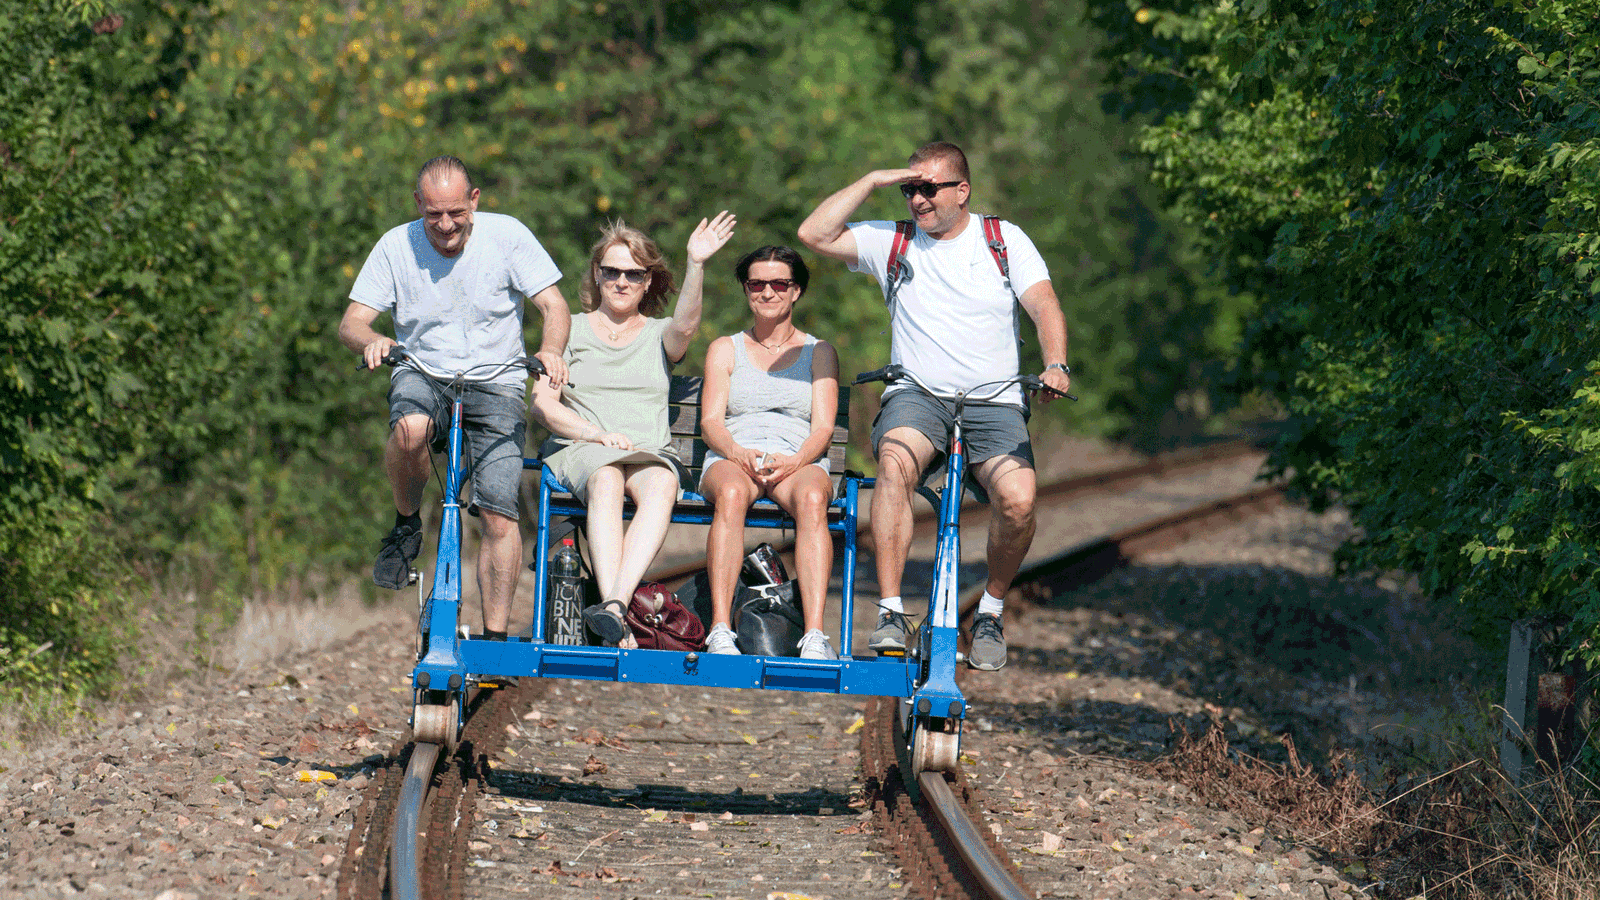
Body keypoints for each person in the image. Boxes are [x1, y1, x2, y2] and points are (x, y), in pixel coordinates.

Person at [797, 141, 1071, 671]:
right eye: (909, 189)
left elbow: (1043, 304)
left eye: (929, 188)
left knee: (1017, 501)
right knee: (896, 462)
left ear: (962, 191)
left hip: (994, 400)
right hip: (917, 395)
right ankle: (892, 611)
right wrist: (872, 179)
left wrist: (1056, 363)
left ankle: (989, 610)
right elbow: (813, 234)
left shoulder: (1002, 239)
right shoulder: (893, 241)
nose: (917, 200)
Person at [339, 155, 572, 645]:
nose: (445, 225)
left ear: (474, 201)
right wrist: (372, 341)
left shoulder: (507, 235)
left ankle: (494, 638)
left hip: (498, 378)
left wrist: (549, 350)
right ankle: (406, 524)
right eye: (433, 215)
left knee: (498, 511)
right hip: (423, 371)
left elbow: (553, 304)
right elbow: (352, 322)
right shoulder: (395, 245)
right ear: (418, 205)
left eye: (455, 213)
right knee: (410, 430)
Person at [531, 213, 737, 648]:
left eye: (633, 274)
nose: (621, 281)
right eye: (611, 271)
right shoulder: (569, 328)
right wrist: (593, 434)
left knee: (663, 482)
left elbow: (686, 326)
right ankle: (618, 611)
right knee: (606, 479)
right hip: (583, 449)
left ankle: (613, 610)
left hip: (646, 452)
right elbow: (543, 405)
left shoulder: (661, 335)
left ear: (648, 282)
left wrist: (696, 263)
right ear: (597, 275)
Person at [698, 247, 841, 659]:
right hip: (734, 453)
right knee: (731, 494)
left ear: (796, 291)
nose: (767, 292)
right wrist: (737, 453)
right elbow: (711, 422)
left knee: (814, 498)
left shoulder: (820, 352)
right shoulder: (726, 348)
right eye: (756, 284)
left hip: (796, 459)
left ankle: (814, 633)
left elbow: (824, 428)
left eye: (779, 284)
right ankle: (721, 628)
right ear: (746, 290)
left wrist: (797, 461)